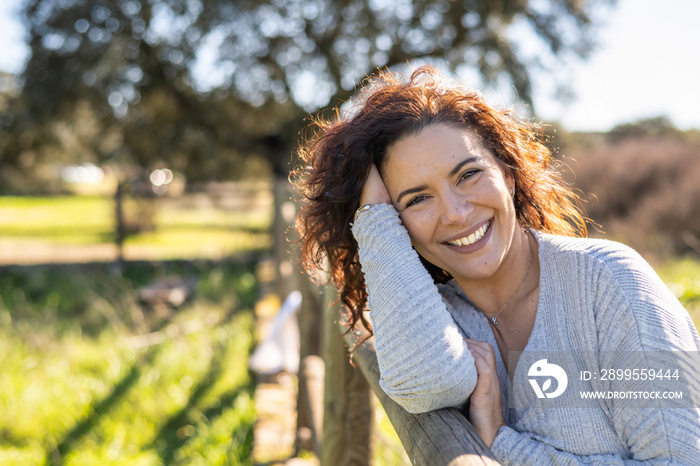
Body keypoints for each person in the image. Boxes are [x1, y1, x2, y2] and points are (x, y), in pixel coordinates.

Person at [292, 66, 700, 464]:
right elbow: (425, 385)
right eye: (416, 199)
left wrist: (504, 445)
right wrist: (375, 220)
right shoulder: (438, 319)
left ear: (507, 173)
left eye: (468, 174)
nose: (455, 213)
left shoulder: (608, 283)